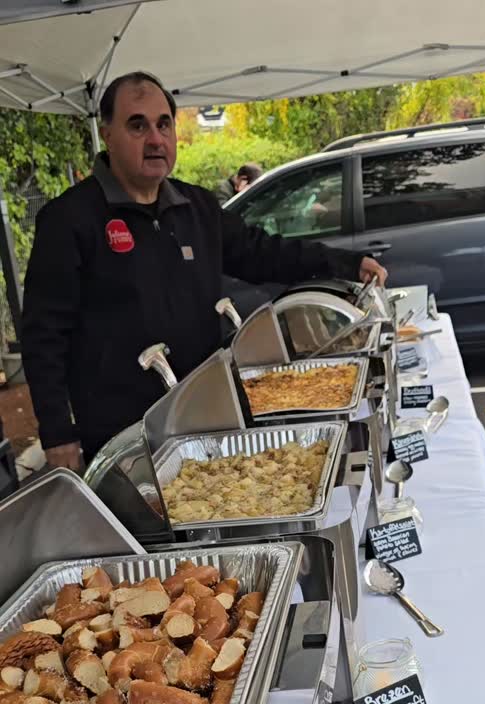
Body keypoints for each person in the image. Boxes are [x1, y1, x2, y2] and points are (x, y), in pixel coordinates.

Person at [21, 72, 386, 471]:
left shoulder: (196, 207)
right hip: (122, 438)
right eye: (137, 125)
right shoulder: (69, 220)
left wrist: (345, 264)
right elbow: (44, 335)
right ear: (107, 134)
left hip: (206, 418)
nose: (156, 139)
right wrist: (58, 433)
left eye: (163, 124)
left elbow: (263, 253)